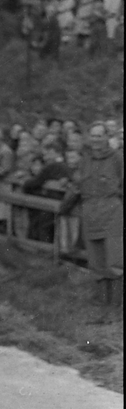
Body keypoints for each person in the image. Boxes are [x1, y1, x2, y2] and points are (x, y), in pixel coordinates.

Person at [58, 122, 123, 312]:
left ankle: (115, 304)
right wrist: (64, 206)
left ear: (106, 137)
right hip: (90, 212)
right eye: (93, 136)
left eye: (99, 136)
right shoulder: (85, 159)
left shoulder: (117, 158)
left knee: (115, 258)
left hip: (112, 211)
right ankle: (102, 301)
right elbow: (78, 185)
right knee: (96, 259)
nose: (96, 140)